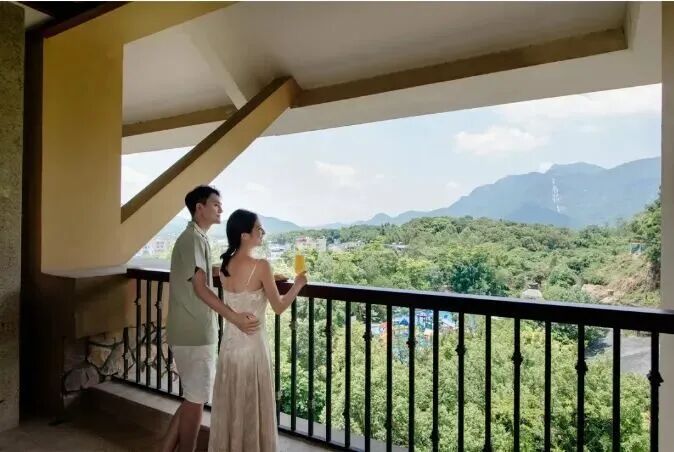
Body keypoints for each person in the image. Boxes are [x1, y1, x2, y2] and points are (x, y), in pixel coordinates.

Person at [161, 187, 260, 452]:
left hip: (188, 330)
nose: (221, 209)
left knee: (191, 398)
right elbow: (200, 286)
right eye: (216, 204)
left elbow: (205, 273)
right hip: (194, 332)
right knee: (196, 400)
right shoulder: (192, 239)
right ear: (200, 208)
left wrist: (254, 273)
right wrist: (234, 317)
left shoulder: (196, 238)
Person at [208, 209, 307, 452]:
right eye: (259, 229)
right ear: (245, 235)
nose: (263, 232)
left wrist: (273, 278)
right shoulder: (261, 265)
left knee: (231, 407)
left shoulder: (224, 265)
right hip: (252, 349)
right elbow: (279, 306)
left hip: (229, 348)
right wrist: (297, 284)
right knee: (251, 408)